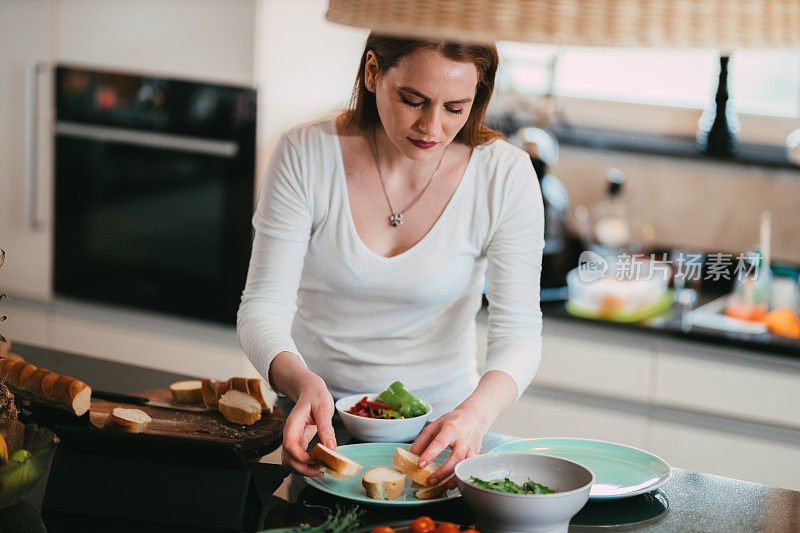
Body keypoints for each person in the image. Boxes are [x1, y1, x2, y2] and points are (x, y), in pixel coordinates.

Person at [237, 33, 544, 487]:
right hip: (316, 419)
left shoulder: (505, 175)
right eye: (413, 100)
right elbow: (261, 308)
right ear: (372, 72)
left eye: (455, 108)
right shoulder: (305, 154)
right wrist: (302, 382)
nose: (432, 127)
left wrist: (474, 417)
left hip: (444, 430)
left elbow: (519, 335)